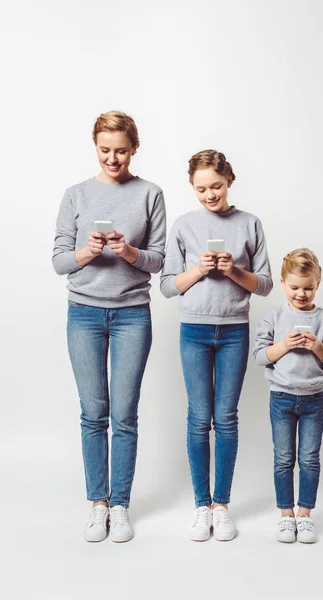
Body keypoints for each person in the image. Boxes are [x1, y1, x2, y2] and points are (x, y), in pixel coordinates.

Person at [52, 110, 166, 543]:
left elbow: (160, 261)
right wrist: (88, 251)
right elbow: (60, 260)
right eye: (105, 150)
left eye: (121, 150)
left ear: (134, 148)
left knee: (124, 413)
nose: (113, 159)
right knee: (93, 412)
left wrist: (130, 251)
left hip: (133, 314)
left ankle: (120, 505)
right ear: (94, 147)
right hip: (83, 313)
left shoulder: (150, 194)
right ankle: (97, 503)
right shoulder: (76, 195)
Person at [160, 149, 272, 541]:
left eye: (216, 187)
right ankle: (200, 506)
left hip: (234, 331)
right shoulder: (184, 225)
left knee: (225, 419)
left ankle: (221, 505)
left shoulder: (249, 223)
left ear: (229, 181)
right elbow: (167, 286)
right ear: (192, 188)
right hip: (194, 330)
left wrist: (234, 270)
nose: (209, 195)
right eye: (201, 189)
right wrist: (199, 269)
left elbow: (266, 285)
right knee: (198, 417)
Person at [253, 248, 323, 543]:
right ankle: (285, 515)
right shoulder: (274, 317)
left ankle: (304, 515)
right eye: (294, 287)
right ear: (282, 283)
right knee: (283, 459)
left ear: (318, 284)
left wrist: (318, 346)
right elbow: (260, 356)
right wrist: (284, 346)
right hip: (281, 398)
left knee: (309, 459)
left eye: (308, 287)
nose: (301, 294)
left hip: (314, 400)